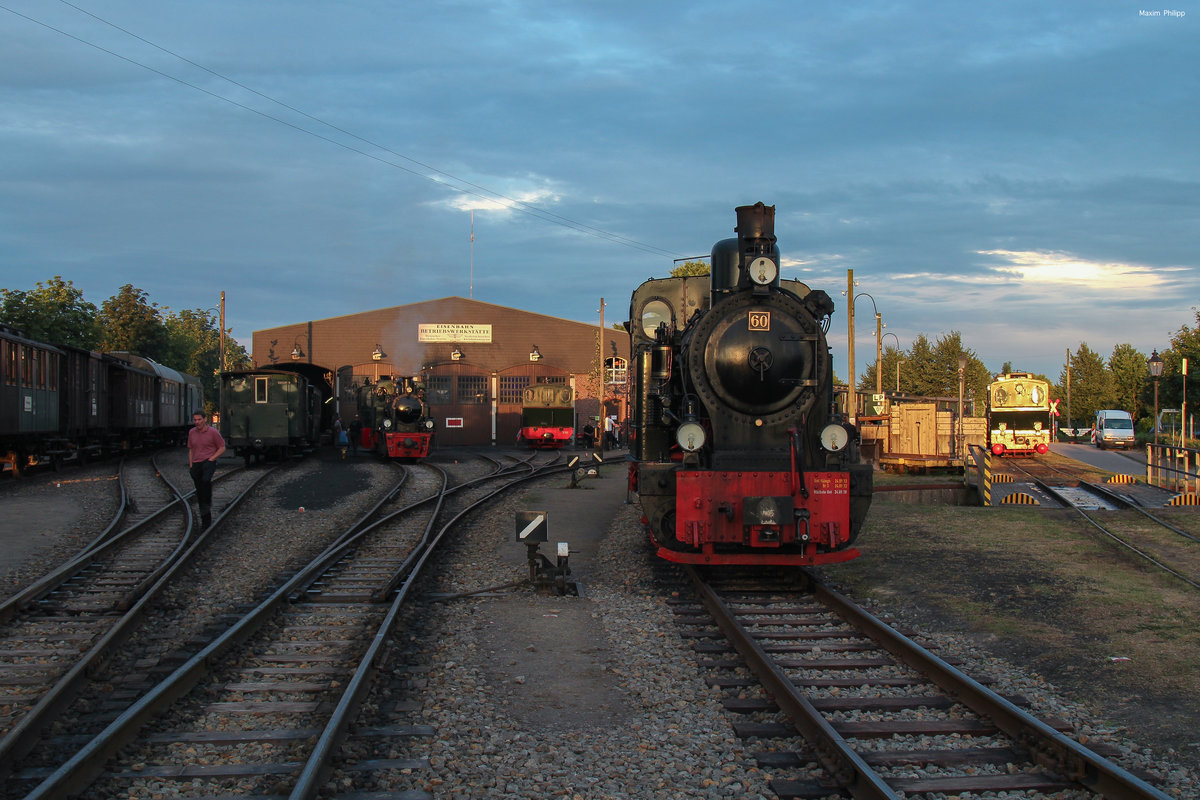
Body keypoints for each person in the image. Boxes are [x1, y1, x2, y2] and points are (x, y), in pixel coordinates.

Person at [188, 410, 225, 530]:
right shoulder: (192, 432)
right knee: (200, 490)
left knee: (205, 482)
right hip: (196, 463)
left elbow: (222, 447)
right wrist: (191, 465)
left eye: (199, 419)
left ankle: (206, 516)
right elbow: (191, 449)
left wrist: (211, 459)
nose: (197, 422)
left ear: (204, 419)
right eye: (195, 420)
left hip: (208, 462)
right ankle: (204, 508)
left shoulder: (213, 432)